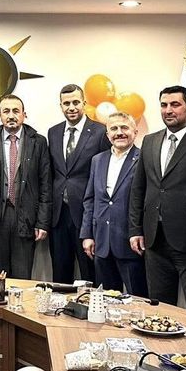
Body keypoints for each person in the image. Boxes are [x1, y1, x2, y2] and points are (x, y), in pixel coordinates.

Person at [128, 85, 186, 315]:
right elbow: (139, 188)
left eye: (175, 104)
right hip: (154, 238)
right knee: (159, 308)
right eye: (164, 105)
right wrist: (135, 229)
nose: (168, 110)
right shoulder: (150, 141)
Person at [0, 94, 51, 279]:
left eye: (16, 111)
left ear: (24, 114)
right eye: (6, 111)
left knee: (22, 278)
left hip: (26, 217)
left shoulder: (38, 142)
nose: (11, 116)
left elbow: (45, 184)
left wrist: (42, 222)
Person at [48, 84, 108, 283]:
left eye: (76, 102)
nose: (71, 107)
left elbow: (104, 174)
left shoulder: (100, 131)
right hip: (58, 215)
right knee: (60, 275)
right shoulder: (53, 132)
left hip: (86, 215)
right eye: (66, 103)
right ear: (61, 106)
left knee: (89, 275)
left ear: (84, 103)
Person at [80, 112, 146, 295]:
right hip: (101, 243)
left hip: (131, 243)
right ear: (107, 134)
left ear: (135, 132)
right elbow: (90, 199)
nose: (119, 133)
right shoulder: (97, 160)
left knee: (138, 300)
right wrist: (87, 235)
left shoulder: (143, 158)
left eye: (124, 128)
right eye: (114, 129)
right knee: (106, 301)